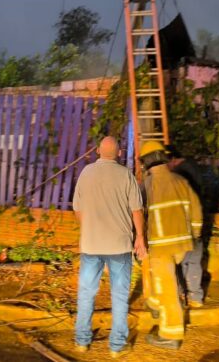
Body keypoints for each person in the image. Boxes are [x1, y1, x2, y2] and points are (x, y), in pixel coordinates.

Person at [72, 137, 146, 358]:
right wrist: (140, 237)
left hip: (91, 246)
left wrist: (90, 229)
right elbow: (137, 210)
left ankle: (82, 341)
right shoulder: (126, 175)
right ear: (120, 153)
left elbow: (77, 208)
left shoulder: (86, 173)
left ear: (97, 152)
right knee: (120, 295)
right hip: (119, 246)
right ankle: (116, 346)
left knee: (86, 294)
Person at [140, 141, 202, 350]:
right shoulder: (181, 181)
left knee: (166, 289)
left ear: (145, 162)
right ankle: (156, 304)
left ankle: (170, 334)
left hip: (160, 247)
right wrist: (194, 234)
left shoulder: (147, 186)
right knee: (163, 284)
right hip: (182, 245)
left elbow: (140, 216)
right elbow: (196, 210)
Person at [165, 145, 211, 310]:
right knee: (194, 262)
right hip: (195, 224)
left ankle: (182, 296)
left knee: (181, 263)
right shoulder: (193, 167)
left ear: (172, 159)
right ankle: (196, 298)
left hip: (183, 226)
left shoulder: (179, 175)